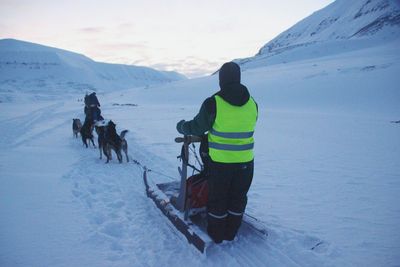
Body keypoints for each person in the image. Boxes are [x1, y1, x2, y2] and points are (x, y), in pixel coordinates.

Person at [176, 62, 258, 243]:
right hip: (246, 162)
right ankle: (231, 233)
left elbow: (198, 127)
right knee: (238, 197)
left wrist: (182, 126)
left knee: (218, 199)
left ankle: (217, 235)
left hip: (221, 164)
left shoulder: (213, 103)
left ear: (221, 80)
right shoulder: (253, 103)